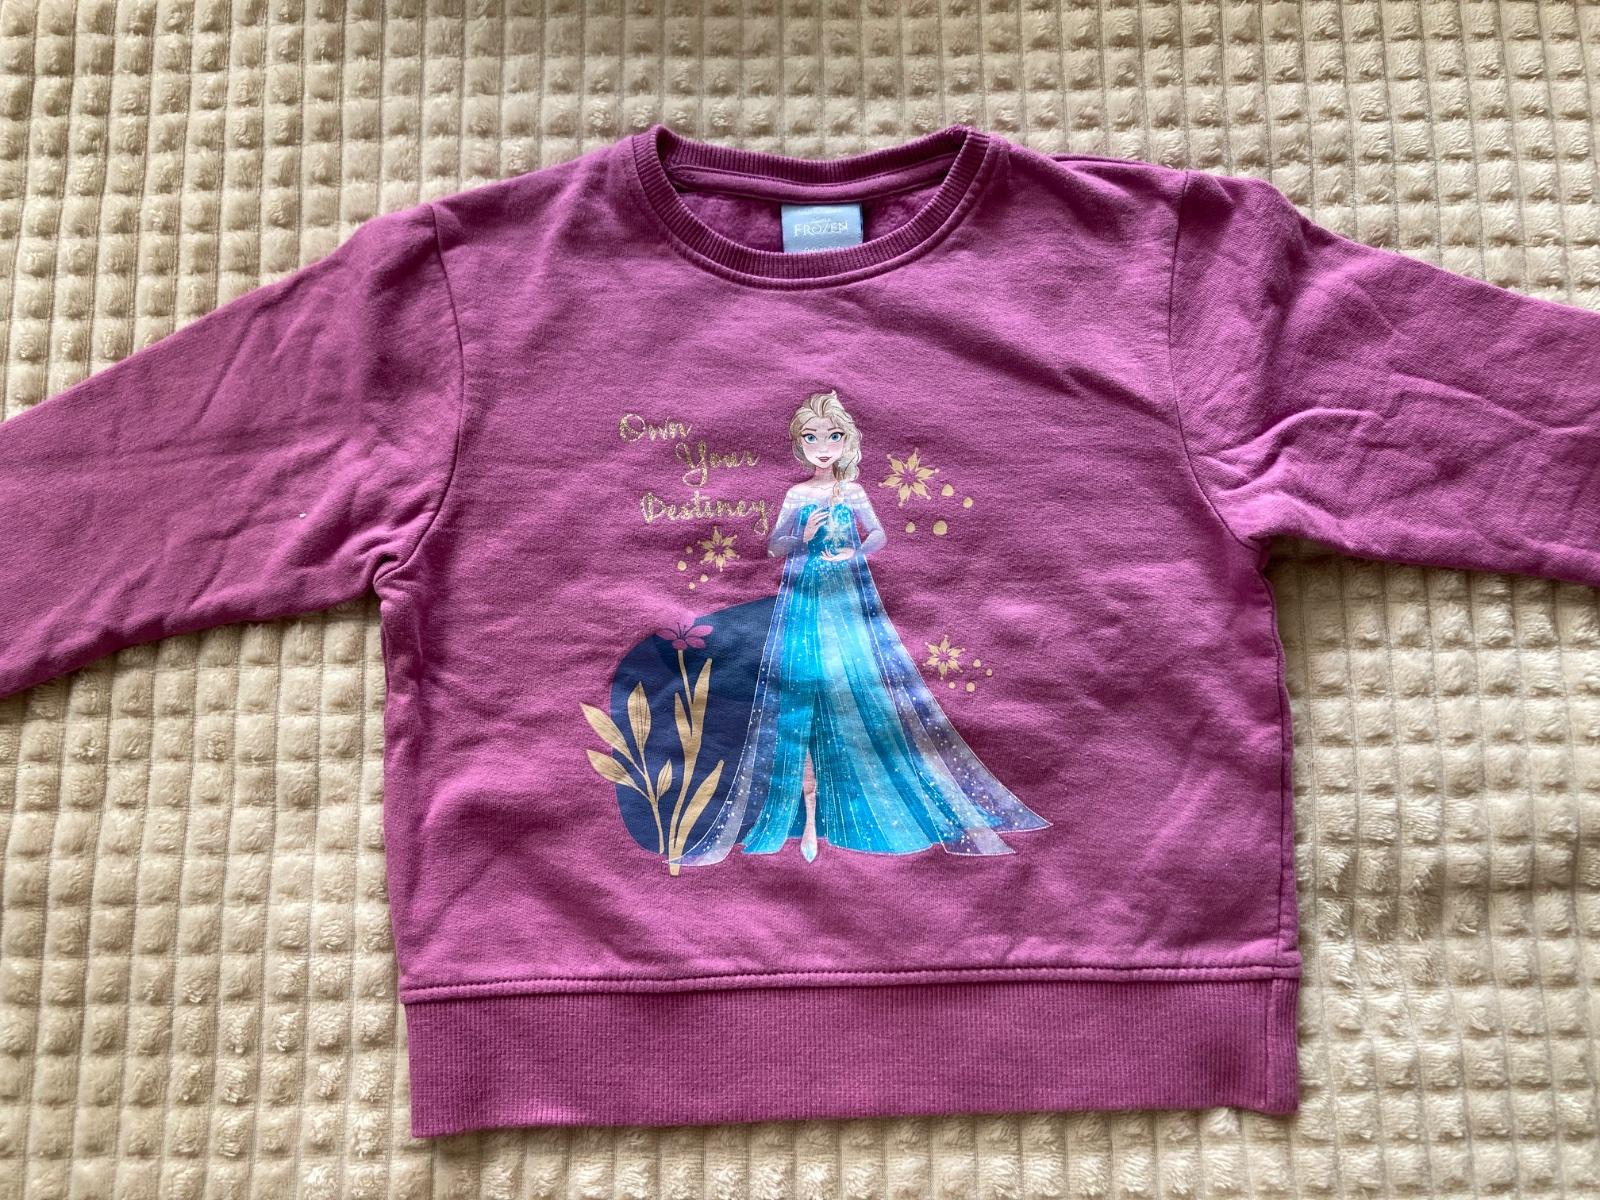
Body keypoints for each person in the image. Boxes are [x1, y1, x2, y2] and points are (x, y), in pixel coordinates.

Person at [677, 388, 1050, 867]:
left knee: (864, 685)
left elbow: (877, 533)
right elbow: (773, 546)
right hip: (804, 598)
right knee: (799, 692)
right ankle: (806, 818)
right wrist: (802, 536)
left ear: (847, 441)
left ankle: (863, 812)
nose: (823, 446)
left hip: (848, 595)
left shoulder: (852, 491)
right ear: (799, 444)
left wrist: (852, 551)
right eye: (812, 437)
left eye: (833, 436)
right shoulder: (797, 493)